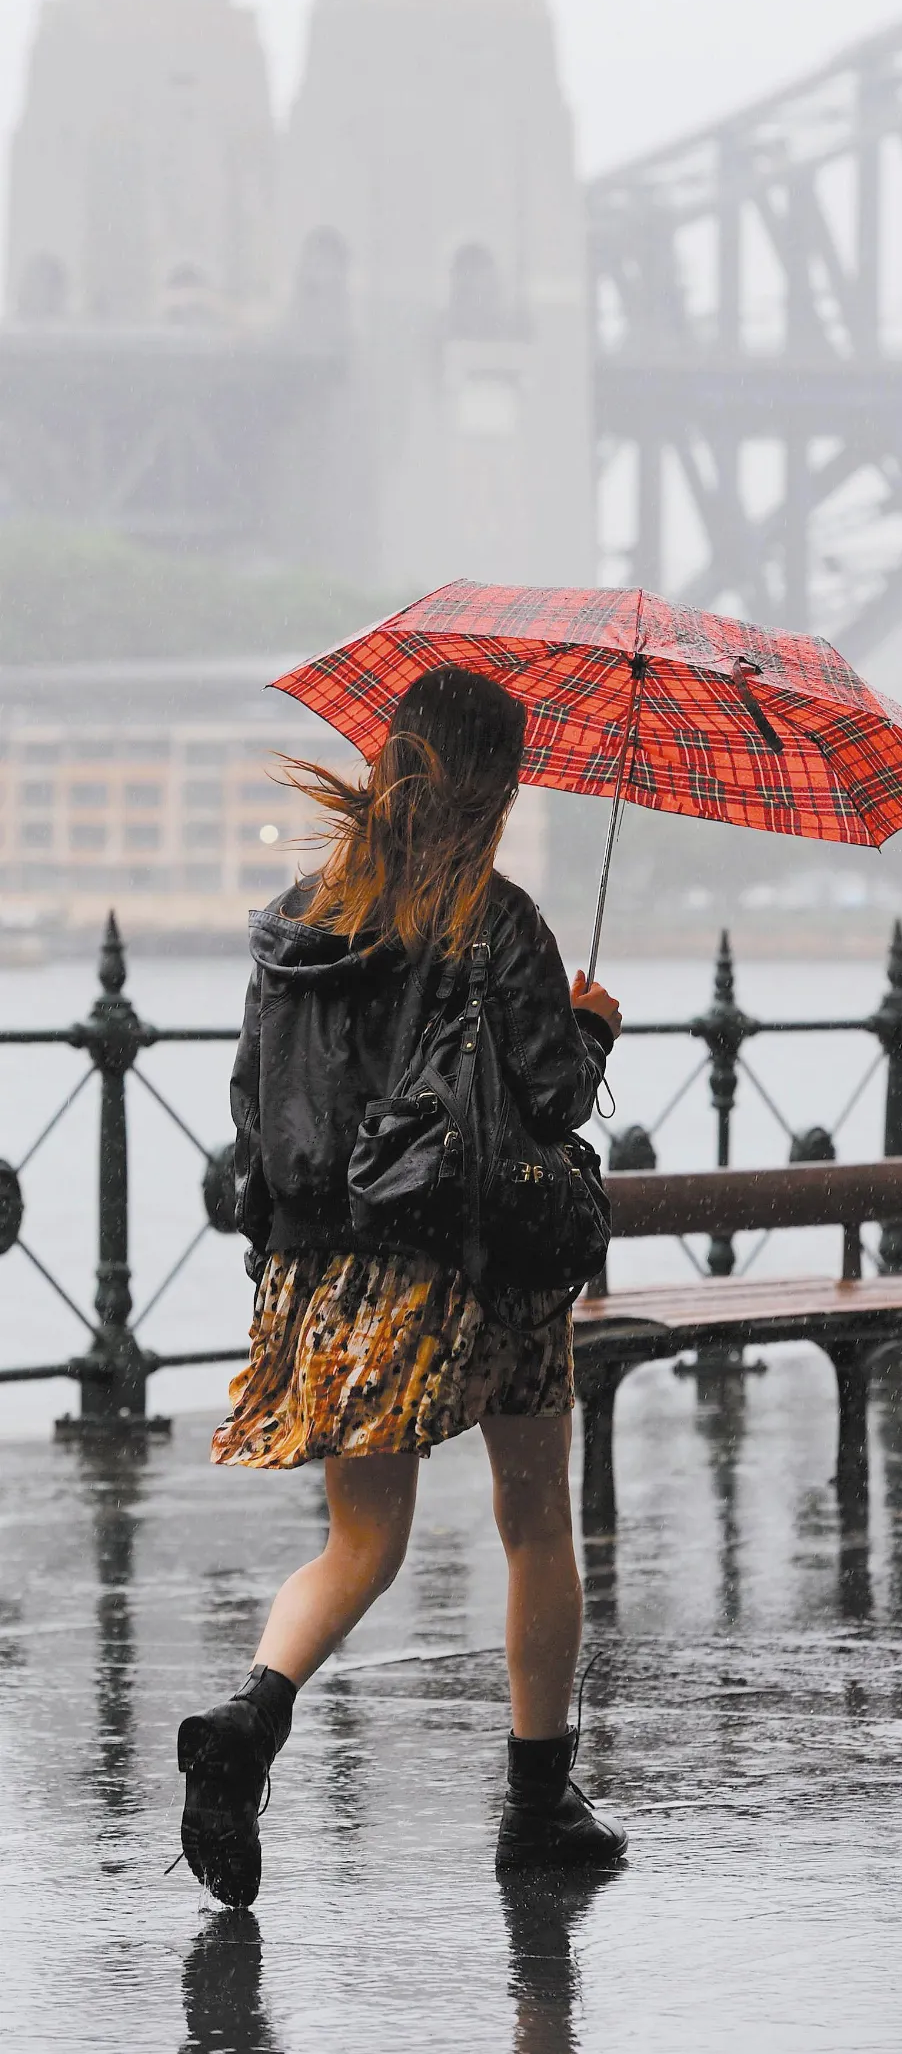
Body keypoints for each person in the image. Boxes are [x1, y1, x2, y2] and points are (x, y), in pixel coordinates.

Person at [175, 665, 627, 1908]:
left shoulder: (297, 921)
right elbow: (551, 1097)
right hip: (484, 1270)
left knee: (361, 1544)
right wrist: (588, 1025)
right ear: (498, 782)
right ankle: (539, 1809)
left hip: (332, 1281)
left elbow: (253, 1111)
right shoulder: (501, 921)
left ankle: (250, 1718)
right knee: (535, 1520)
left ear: (391, 757)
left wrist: (288, 1263)